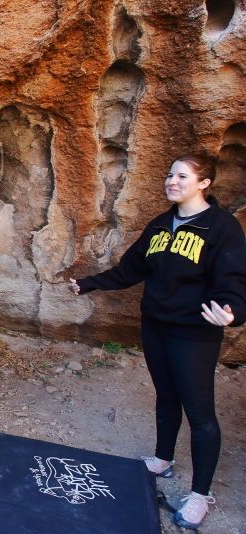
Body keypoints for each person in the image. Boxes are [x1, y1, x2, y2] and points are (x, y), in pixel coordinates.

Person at [69, 152, 246, 529]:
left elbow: (234, 278)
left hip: (194, 334)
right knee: (166, 396)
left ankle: (200, 494)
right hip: (156, 326)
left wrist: (232, 310)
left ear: (204, 183)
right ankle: (162, 460)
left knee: (200, 414)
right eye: (169, 175)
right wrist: (88, 284)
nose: (172, 181)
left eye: (182, 176)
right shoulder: (161, 226)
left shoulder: (222, 227)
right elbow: (131, 269)